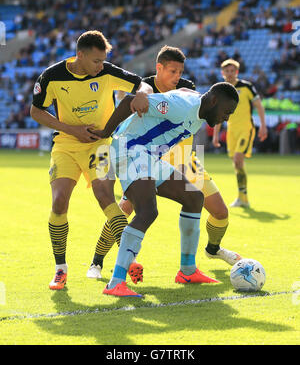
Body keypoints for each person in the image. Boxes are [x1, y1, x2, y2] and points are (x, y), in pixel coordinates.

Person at [88, 46, 242, 283]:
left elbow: (182, 93)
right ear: (212, 102)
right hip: (130, 151)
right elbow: (131, 99)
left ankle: (188, 271)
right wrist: (104, 133)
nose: (227, 118)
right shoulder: (178, 104)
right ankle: (115, 280)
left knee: (194, 198)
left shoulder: (198, 108)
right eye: (226, 112)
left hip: (151, 157)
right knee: (147, 211)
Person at [30, 30, 152, 290]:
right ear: (80, 55)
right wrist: (70, 129)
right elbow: (35, 110)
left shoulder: (107, 72)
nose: (100, 66)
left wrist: (142, 93)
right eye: (96, 61)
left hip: (100, 145)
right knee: (59, 201)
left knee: (105, 197)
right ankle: (60, 269)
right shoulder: (51, 76)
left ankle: (128, 259)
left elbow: (142, 83)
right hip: (65, 145)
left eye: (103, 60)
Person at [213, 59, 268, 208]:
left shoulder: (246, 87)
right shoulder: (222, 90)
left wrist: (263, 126)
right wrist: (215, 134)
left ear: (237, 72)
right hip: (232, 131)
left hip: (246, 128)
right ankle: (242, 198)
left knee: (238, 159)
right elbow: (219, 114)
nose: (230, 74)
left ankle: (243, 198)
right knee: (237, 165)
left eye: (232, 71)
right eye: (227, 71)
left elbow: (259, 106)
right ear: (222, 73)